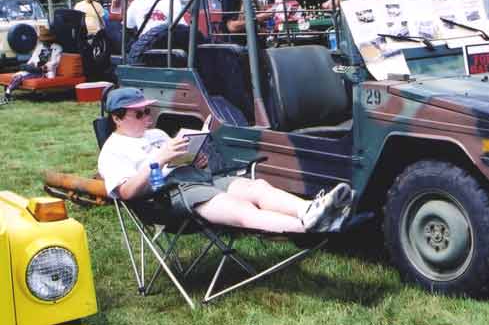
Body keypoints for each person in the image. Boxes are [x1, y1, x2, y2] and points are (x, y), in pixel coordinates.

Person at [97, 87, 352, 233]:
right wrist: (159, 159)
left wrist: (193, 159)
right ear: (117, 118)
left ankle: (309, 210)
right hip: (167, 197)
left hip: (195, 177)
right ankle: (310, 227)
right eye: (140, 113)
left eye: (148, 111)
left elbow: (176, 161)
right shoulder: (113, 151)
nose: (148, 118)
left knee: (257, 188)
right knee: (241, 210)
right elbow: (127, 192)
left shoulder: (156, 133)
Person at [1, 26, 62, 104]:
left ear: (51, 40)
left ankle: (7, 94)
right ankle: (8, 93)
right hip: (35, 69)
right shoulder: (40, 47)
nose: (44, 42)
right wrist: (29, 65)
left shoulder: (57, 48)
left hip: (44, 71)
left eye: (46, 40)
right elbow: (33, 58)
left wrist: (44, 67)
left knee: (20, 76)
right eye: (43, 41)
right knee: (19, 74)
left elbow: (55, 62)